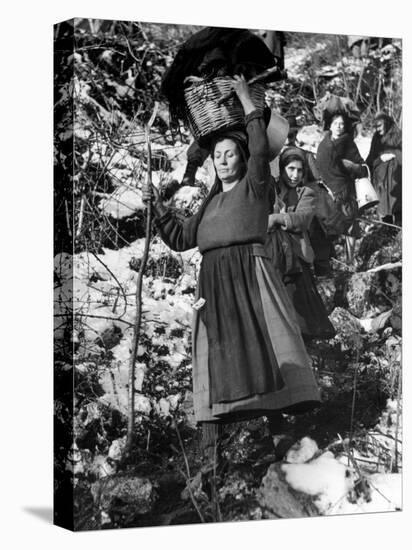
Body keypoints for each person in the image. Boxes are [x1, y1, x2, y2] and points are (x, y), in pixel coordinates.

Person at [142, 76, 320, 460]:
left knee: (264, 347)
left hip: (250, 276)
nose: (222, 162)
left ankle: (282, 439)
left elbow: (260, 148)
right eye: (217, 156)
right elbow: (181, 238)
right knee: (216, 357)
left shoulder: (256, 185)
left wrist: (244, 99)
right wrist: (158, 208)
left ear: (242, 157)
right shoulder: (210, 202)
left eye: (229, 154)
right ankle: (209, 456)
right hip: (214, 283)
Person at [266, 147, 335, 340]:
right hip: (273, 251)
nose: (295, 175)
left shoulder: (307, 192)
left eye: (299, 170)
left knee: (301, 306)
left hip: (296, 254)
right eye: (290, 169)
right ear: (282, 169)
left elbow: (302, 218)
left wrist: (277, 218)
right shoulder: (272, 188)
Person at [315, 111, 368, 264]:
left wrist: (352, 167)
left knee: (350, 224)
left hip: (345, 190)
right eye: (336, 123)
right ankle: (331, 260)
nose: (339, 126)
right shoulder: (324, 144)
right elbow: (320, 166)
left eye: (342, 124)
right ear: (330, 126)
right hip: (327, 191)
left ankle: (349, 261)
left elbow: (362, 165)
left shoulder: (348, 143)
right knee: (329, 224)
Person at [366, 113, 402, 225]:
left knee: (399, 207)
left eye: (379, 125)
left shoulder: (399, 136)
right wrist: (380, 158)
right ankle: (388, 231)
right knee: (384, 209)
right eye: (375, 126)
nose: (377, 129)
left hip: (397, 180)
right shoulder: (376, 138)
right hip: (382, 181)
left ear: (387, 123)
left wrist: (394, 157)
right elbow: (371, 157)